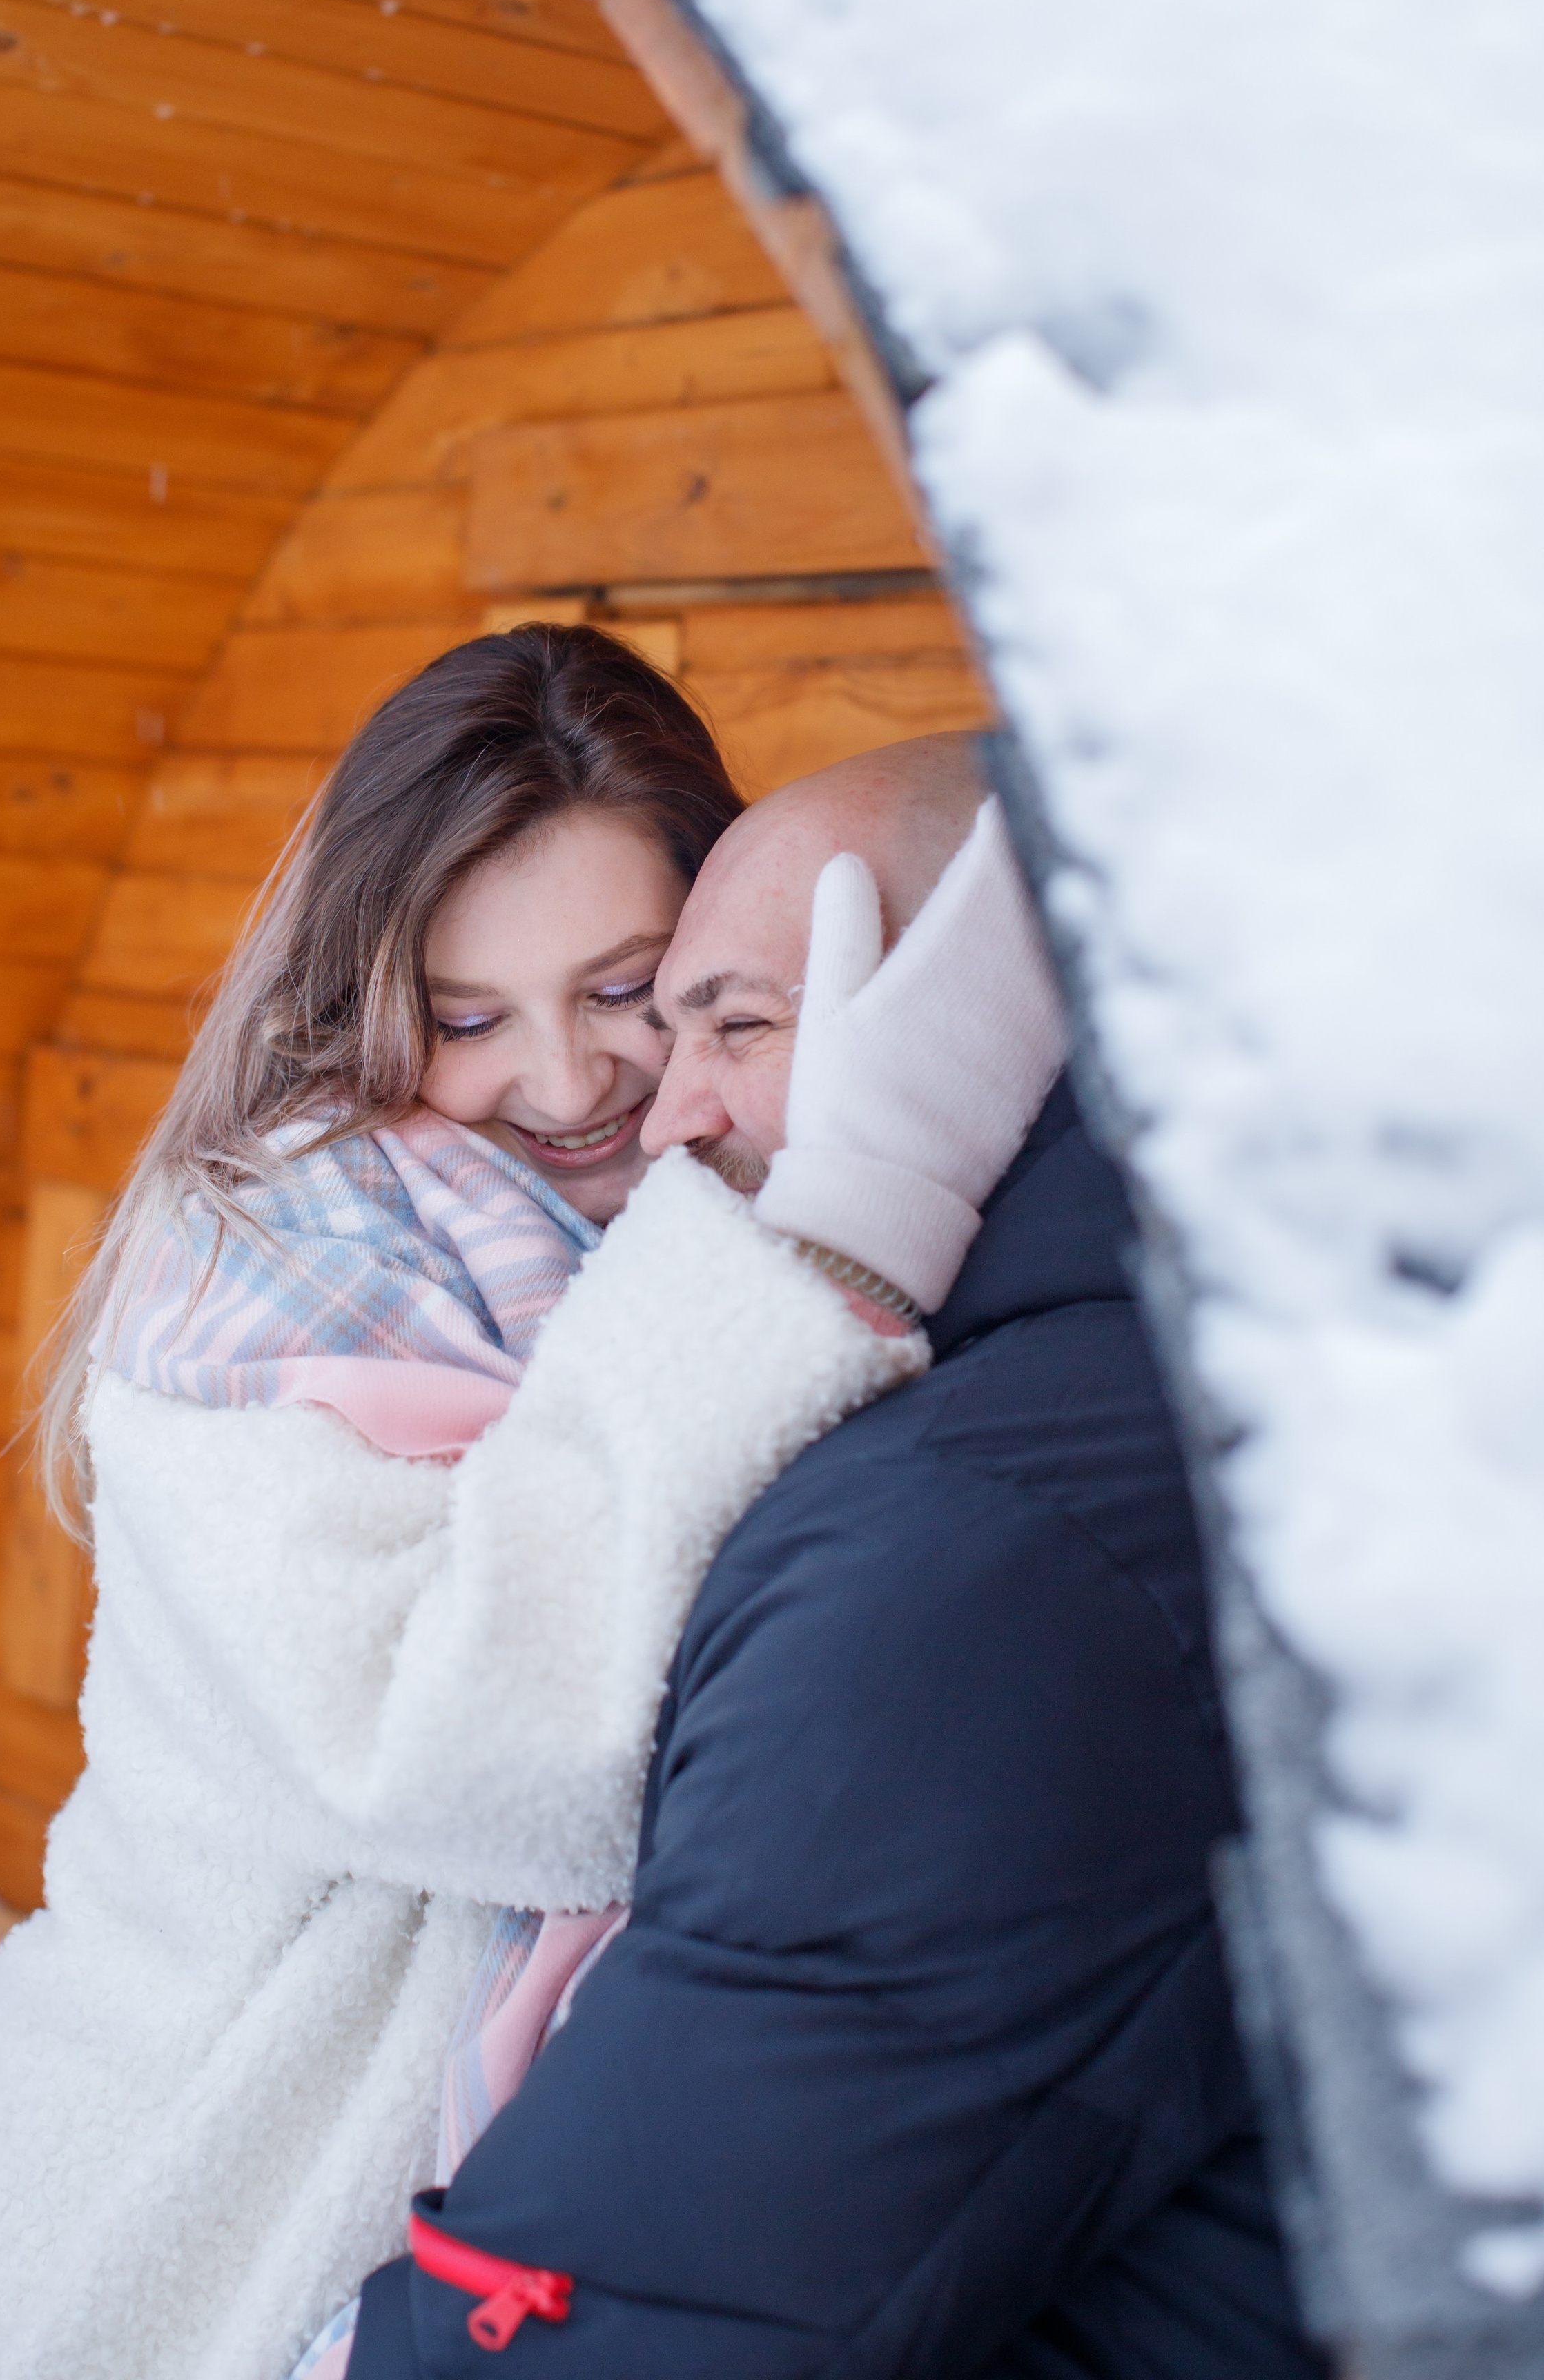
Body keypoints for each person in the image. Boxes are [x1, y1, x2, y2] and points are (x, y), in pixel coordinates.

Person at [0, 631, 968, 2380]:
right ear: (369, 1001)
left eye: (622, 987)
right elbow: (475, 1754)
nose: (569, 1085)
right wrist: (791, 1266)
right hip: (177, 2181)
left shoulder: (680, 1200)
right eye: (465, 1018)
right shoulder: (280, 1257)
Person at [343, 747, 1329, 2377]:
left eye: (733, 1023)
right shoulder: (1156, 1375)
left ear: (983, 1019)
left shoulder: (971, 1544)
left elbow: (623, 2307)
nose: (656, 1115)